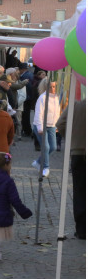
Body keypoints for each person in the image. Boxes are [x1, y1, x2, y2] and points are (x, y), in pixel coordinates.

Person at [56, 99, 86, 239]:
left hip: (78, 153)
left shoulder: (76, 105)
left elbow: (60, 124)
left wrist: (72, 139)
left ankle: (81, 230)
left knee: (79, 191)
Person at [32, 78, 60, 178]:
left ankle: (38, 162)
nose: (53, 89)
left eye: (54, 86)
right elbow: (39, 114)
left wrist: (57, 125)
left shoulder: (57, 97)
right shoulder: (42, 98)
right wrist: (40, 127)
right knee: (46, 147)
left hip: (52, 126)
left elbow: (57, 113)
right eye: (50, 87)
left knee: (53, 147)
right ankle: (46, 167)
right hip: (41, 125)